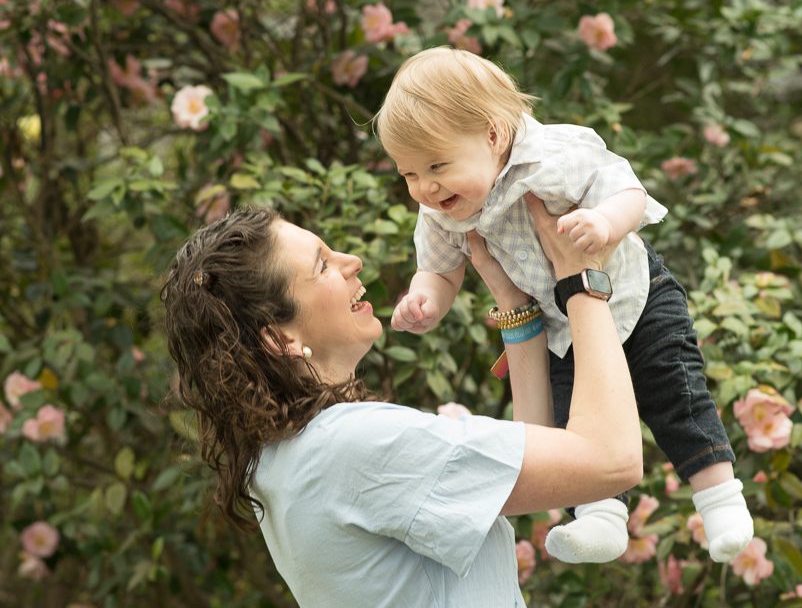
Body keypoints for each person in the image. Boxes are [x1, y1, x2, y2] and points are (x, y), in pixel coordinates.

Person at [160, 198, 643, 607]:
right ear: (279, 338)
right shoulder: (355, 443)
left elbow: (545, 461)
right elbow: (611, 461)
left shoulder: (282, 458)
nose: (352, 261)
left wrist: (515, 308)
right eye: (323, 265)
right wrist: (581, 280)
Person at [374, 46, 753, 564]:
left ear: (493, 134)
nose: (426, 187)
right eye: (409, 175)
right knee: (577, 420)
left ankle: (721, 500)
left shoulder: (556, 153)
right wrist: (426, 300)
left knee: (675, 393)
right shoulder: (442, 210)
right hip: (562, 327)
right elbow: (439, 270)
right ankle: (600, 518)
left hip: (635, 297)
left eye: (437, 165)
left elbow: (628, 190)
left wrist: (605, 222)